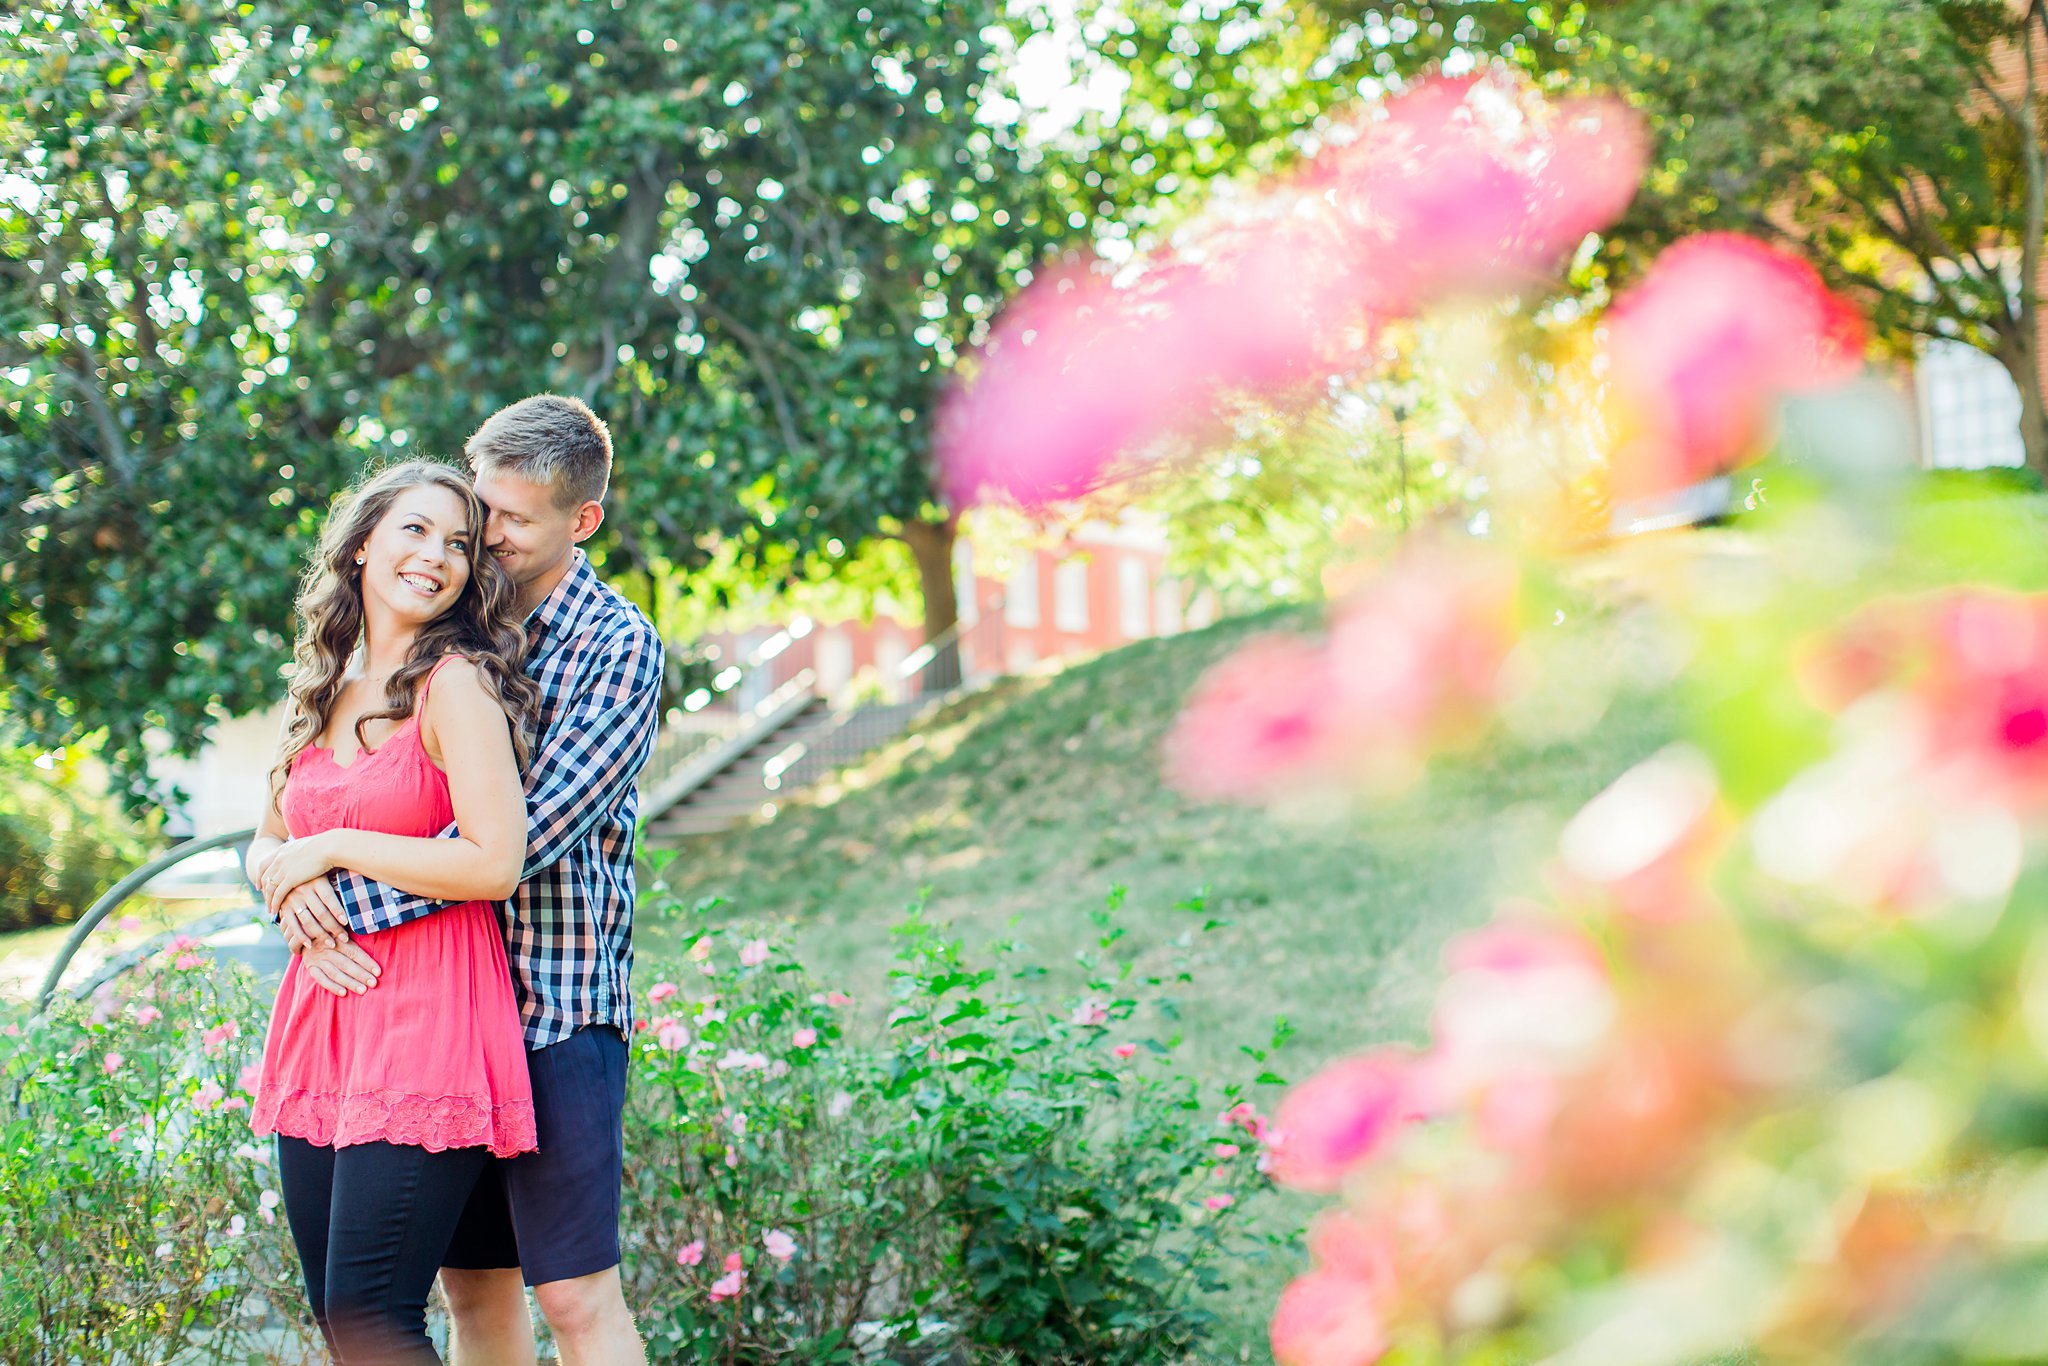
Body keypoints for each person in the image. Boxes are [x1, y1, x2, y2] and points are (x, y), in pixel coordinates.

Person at [266, 395, 666, 1366]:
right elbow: (309, 801)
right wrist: (280, 871)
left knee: (572, 1296)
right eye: (475, 510)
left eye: (511, 521)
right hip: (426, 1014)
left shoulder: (616, 646)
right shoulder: (448, 624)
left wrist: (327, 893)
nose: (482, 538)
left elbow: (518, 844)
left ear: (582, 521)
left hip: (551, 1006)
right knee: (471, 1291)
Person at [246, 458, 545, 1364]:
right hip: (322, 1023)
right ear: (363, 541)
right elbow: (263, 841)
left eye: (458, 542)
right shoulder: (320, 685)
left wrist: (330, 852)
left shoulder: (455, 684)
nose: (438, 555)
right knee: (342, 1319)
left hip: (427, 1016)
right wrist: (290, 882)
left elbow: (494, 860)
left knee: (375, 1316)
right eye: (415, 529)